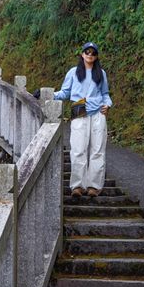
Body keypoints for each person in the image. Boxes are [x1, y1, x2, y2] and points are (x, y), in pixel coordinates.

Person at [53, 42, 112, 198]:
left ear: (96, 56)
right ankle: (78, 186)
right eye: (87, 52)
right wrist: (49, 95)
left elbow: (105, 93)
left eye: (93, 53)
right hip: (79, 111)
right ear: (82, 54)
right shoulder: (73, 72)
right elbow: (65, 92)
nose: (90, 55)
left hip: (98, 113)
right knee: (78, 149)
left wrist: (108, 104)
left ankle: (94, 186)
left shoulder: (101, 73)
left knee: (97, 150)